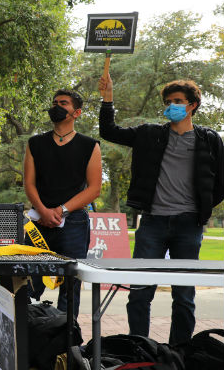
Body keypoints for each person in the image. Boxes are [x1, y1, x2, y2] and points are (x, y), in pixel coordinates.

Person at [98, 75, 224, 345]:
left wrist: (201, 207)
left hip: (189, 225)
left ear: (193, 105)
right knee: (140, 292)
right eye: (168, 102)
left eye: (177, 101)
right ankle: (139, 349)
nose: (171, 106)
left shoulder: (209, 139)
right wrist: (107, 98)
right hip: (153, 223)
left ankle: (178, 352)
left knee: (184, 296)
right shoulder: (150, 134)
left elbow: (220, 182)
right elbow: (109, 131)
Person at [23, 89, 102, 316]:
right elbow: (29, 183)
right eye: (55, 102)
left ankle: (67, 342)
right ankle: (28, 334)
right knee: (29, 281)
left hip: (74, 222)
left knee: (70, 284)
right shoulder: (35, 143)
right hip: (39, 221)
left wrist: (61, 210)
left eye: (64, 103)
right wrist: (43, 210)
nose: (57, 106)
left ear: (76, 112)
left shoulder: (90, 146)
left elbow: (94, 189)